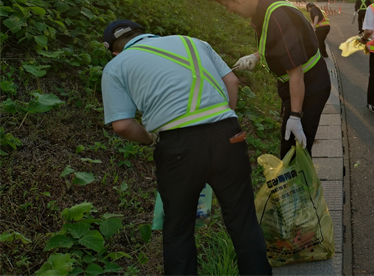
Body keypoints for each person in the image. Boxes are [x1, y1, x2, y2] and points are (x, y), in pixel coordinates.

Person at [100, 20, 272, 276]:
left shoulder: (116, 66)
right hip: (228, 136)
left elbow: (123, 126)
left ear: (114, 51)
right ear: (147, 32)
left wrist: (150, 139)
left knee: (178, 229)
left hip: (178, 147)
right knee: (243, 220)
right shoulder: (193, 42)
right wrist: (223, 123)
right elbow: (232, 83)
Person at [205, 0, 331, 159]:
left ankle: (301, 187)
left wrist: (295, 116)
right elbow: (281, 43)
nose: (229, 10)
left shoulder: (276, 16)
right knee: (293, 147)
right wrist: (256, 56)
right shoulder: (265, 6)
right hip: (300, 82)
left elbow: (296, 72)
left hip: (308, 85)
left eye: (227, 5)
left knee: (294, 151)